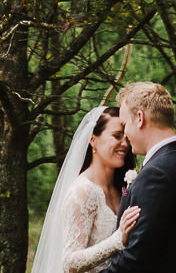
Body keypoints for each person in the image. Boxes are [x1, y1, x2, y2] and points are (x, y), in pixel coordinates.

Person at [103, 82, 176, 273]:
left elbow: (137, 260)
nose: (125, 135)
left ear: (140, 118)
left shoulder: (156, 174)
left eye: (125, 125)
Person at [30, 106, 141, 273]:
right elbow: (69, 263)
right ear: (93, 139)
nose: (124, 144)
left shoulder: (124, 187)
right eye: (117, 136)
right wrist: (117, 240)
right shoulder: (82, 192)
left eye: (126, 137)